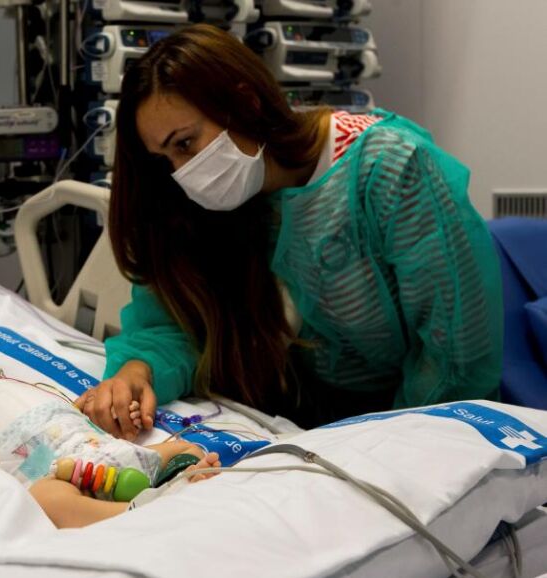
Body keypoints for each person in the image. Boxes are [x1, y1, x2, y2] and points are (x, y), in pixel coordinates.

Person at [77, 23, 503, 436]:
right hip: (310, 419)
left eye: (186, 143)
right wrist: (139, 370)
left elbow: (456, 359)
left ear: (246, 103)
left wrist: (388, 447)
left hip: (420, 429)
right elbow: (178, 324)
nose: (183, 174)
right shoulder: (222, 199)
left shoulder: (391, 171)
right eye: (165, 159)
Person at [0, 316, 220, 528]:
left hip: (101, 450)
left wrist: (86, 413)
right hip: (56, 474)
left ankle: (180, 473)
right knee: (48, 502)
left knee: (182, 447)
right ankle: (123, 513)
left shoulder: (2, 383)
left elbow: (52, 413)